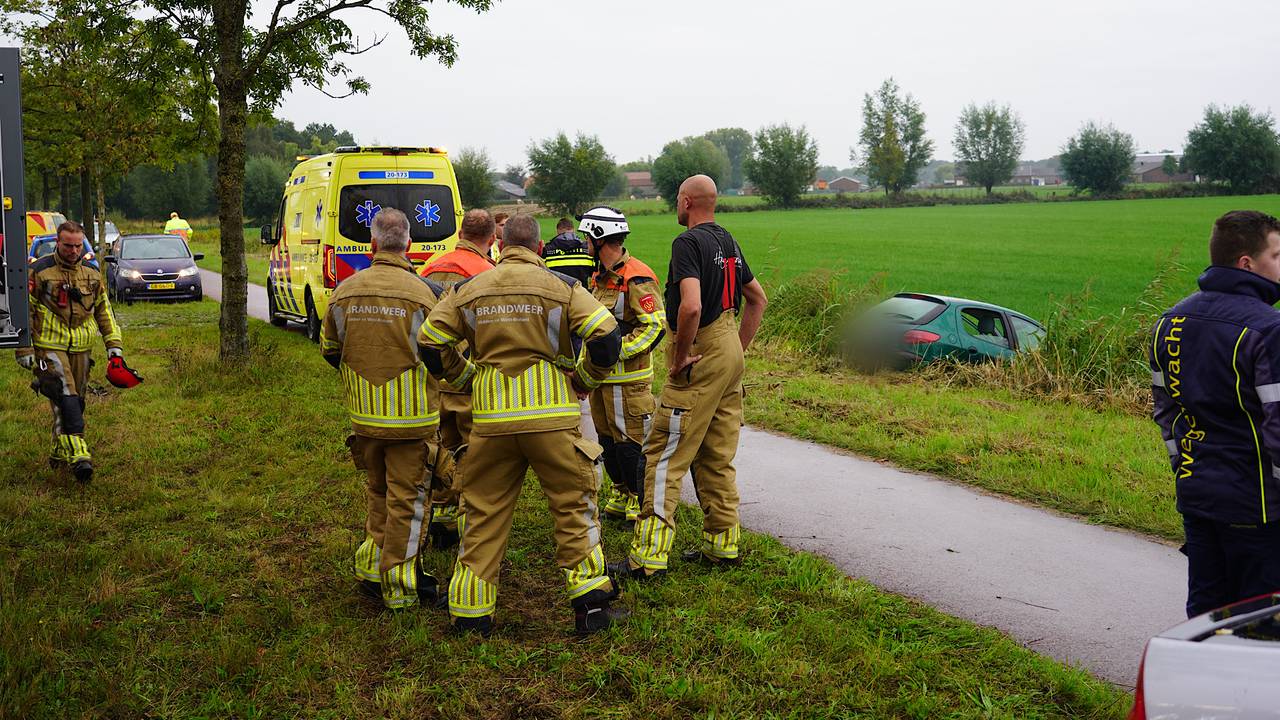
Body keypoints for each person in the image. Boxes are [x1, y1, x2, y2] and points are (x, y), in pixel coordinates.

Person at [418, 213, 627, 635]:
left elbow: (430, 342)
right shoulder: (562, 287)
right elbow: (606, 337)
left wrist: (466, 378)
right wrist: (584, 380)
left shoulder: (468, 289)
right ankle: (591, 608)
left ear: (500, 245)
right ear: (539, 248)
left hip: (491, 421)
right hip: (553, 420)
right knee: (573, 507)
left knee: (483, 513)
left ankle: (470, 613)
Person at [612, 174, 767, 580]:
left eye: (677, 199)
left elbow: (692, 306)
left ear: (686, 202)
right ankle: (722, 545)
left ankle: (648, 557)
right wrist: (736, 349)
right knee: (717, 454)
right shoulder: (728, 241)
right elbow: (758, 299)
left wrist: (681, 355)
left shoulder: (687, 243)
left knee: (663, 454)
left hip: (700, 352)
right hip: (729, 349)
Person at [320, 207, 454, 611]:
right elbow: (444, 355)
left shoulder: (344, 292)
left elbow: (331, 351)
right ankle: (400, 587)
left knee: (377, 493)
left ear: (372, 244)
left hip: (365, 421)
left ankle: (370, 568)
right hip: (413, 422)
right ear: (409, 245)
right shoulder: (428, 294)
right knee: (408, 504)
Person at [1149, 210, 1280, 618]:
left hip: (1197, 497)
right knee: (1259, 623)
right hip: (1259, 508)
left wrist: (1184, 468)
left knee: (1205, 616)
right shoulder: (1269, 329)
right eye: (1277, 255)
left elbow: (1166, 412)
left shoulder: (1169, 321)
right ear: (1247, 263)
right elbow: (1278, 429)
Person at [16, 221, 128, 484]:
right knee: (65, 395)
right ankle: (79, 455)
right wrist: (24, 347)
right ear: (58, 242)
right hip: (49, 346)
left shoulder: (91, 272)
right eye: (68, 245)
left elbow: (104, 310)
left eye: (78, 246)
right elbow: (25, 310)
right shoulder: (39, 271)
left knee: (76, 402)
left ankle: (59, 448)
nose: (74, 251)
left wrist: (114, 346)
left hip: (81, 348)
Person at [579, 206, 666, 522]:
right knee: (607, 441)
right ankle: (621, 491)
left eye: (587, 237)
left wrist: (616, 352)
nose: (585, 243)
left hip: (629, 382)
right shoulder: (599, 277)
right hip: (601, 379)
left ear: (599, 237)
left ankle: (638, 498)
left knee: (631, 445)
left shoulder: (636, 276)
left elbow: (654, 326)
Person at [420, 209, 498, 547]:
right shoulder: (489, 274)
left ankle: (442, 517)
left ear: (460, 233)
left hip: (434, 379)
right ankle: (471, 530)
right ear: (492, 239)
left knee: (441, 450)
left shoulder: (429, 268)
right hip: (471, 380)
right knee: (473, 455)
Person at [542, 217, 594, 285]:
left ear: (557, 231)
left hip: (556, 291)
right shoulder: (588, 249)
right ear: (573, 230)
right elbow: (594, 273)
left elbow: (541, 273)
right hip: (580, 291)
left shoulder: (547, 250)